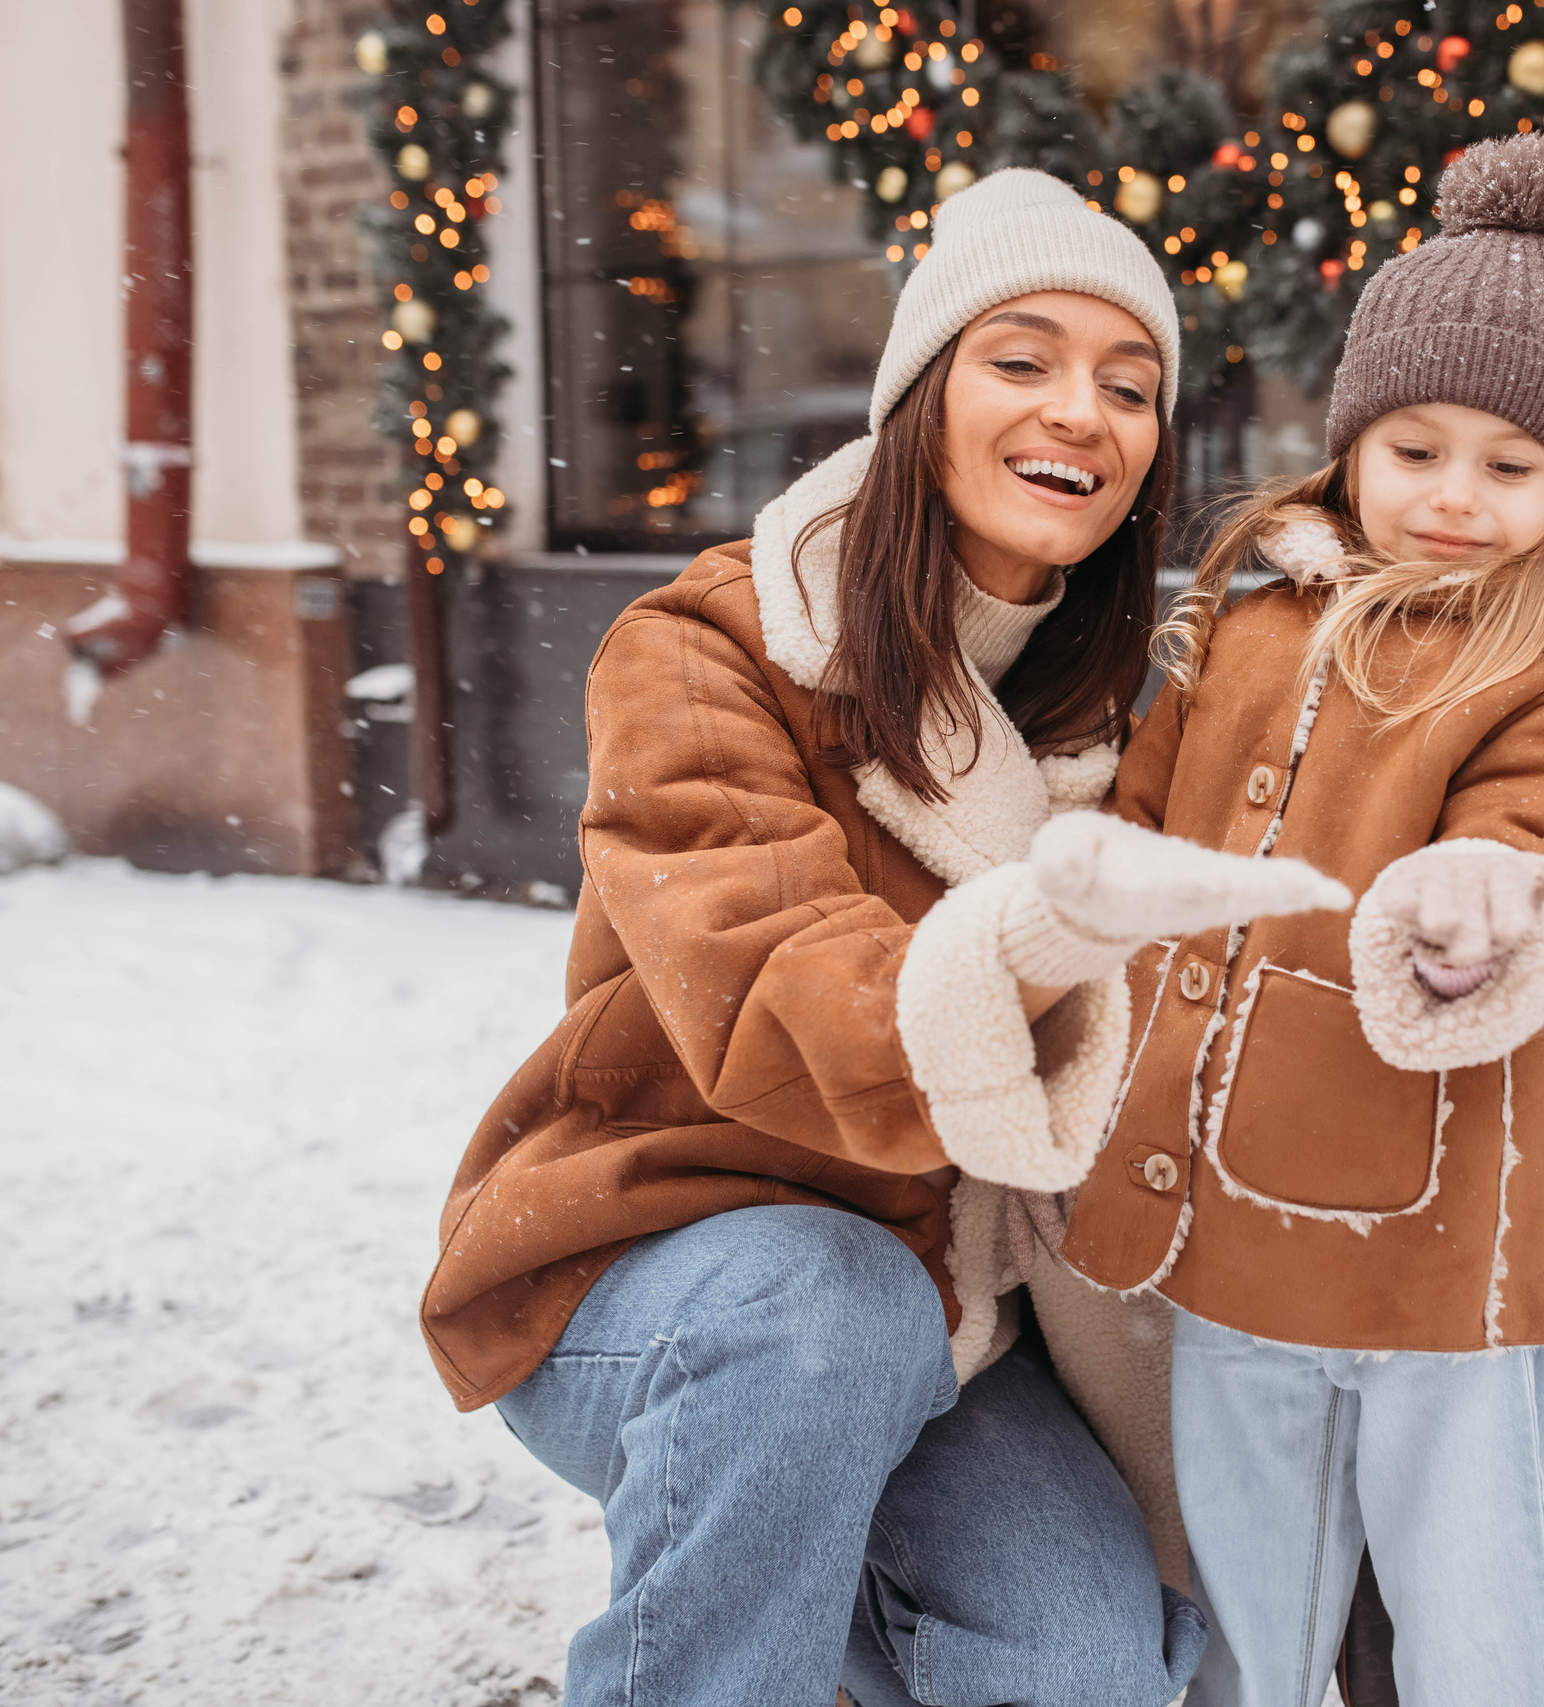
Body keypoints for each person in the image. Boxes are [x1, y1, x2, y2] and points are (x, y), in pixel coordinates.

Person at [416, 168, 1346, 1707]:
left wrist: (1371, 632)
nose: (1082, 414)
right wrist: (1029, 949)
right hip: (647, 1272)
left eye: (1130, 388)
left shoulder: (1122, 719)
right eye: (1023, 359)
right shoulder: (714, 650)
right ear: (924, 395)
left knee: (1079, 1665)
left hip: (958, 1318)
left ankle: (824, 1583)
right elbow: (770, 982)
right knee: (820, 1310)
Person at [1058, 133, 1544, 1707]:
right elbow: (1140, 825)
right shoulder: (1243, 626)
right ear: (1352, 445)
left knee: (1464, 1615)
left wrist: (1478, 917)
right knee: (1253, 1589)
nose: (1457, 498)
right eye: (1418, 449)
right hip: (1237, 1224)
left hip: (1442, 1247)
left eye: (1510, 467)